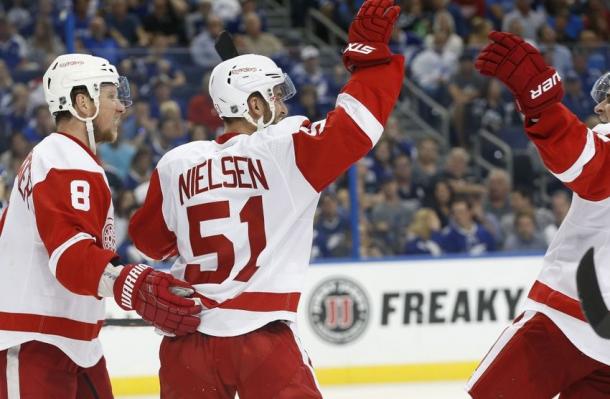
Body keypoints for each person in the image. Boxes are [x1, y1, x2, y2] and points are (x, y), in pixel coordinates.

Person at [128, 1, 404, 397]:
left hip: (189, 343)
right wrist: (371, 62)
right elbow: (358, 125)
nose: (282, 104)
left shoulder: (177, 163)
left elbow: (149, 242)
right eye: (274, 96)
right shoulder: (284, 147)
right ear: (254, 105)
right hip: (262, 341)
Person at [0, 54, 201, 398]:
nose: (121, 107)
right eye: (111, 96)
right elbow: (70, 256)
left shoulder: (67, 159)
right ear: (82, 102)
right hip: (37, 342)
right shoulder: (62, 157)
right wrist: (130, 283)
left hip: (74, 343)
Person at [467, 31, 610, 398]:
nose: (599, 107)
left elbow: (583, 164)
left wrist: (542, 106)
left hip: (567, 320)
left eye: (608, 99)